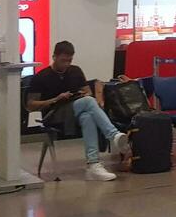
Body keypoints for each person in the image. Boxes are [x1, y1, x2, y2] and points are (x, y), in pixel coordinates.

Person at [28, 42, 129, 181]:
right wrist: (55, 99)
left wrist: (82, 94)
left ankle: (93, 165)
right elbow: (30, 105)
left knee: (87, 116)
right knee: (88, 102)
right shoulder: (41, 77)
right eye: (63, 60)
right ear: (54, 57)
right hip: (54, 114)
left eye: (69, 60)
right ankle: (113, 135)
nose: (66, 64)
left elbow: (87, 91)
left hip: (74, 110)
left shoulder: (75, 71)